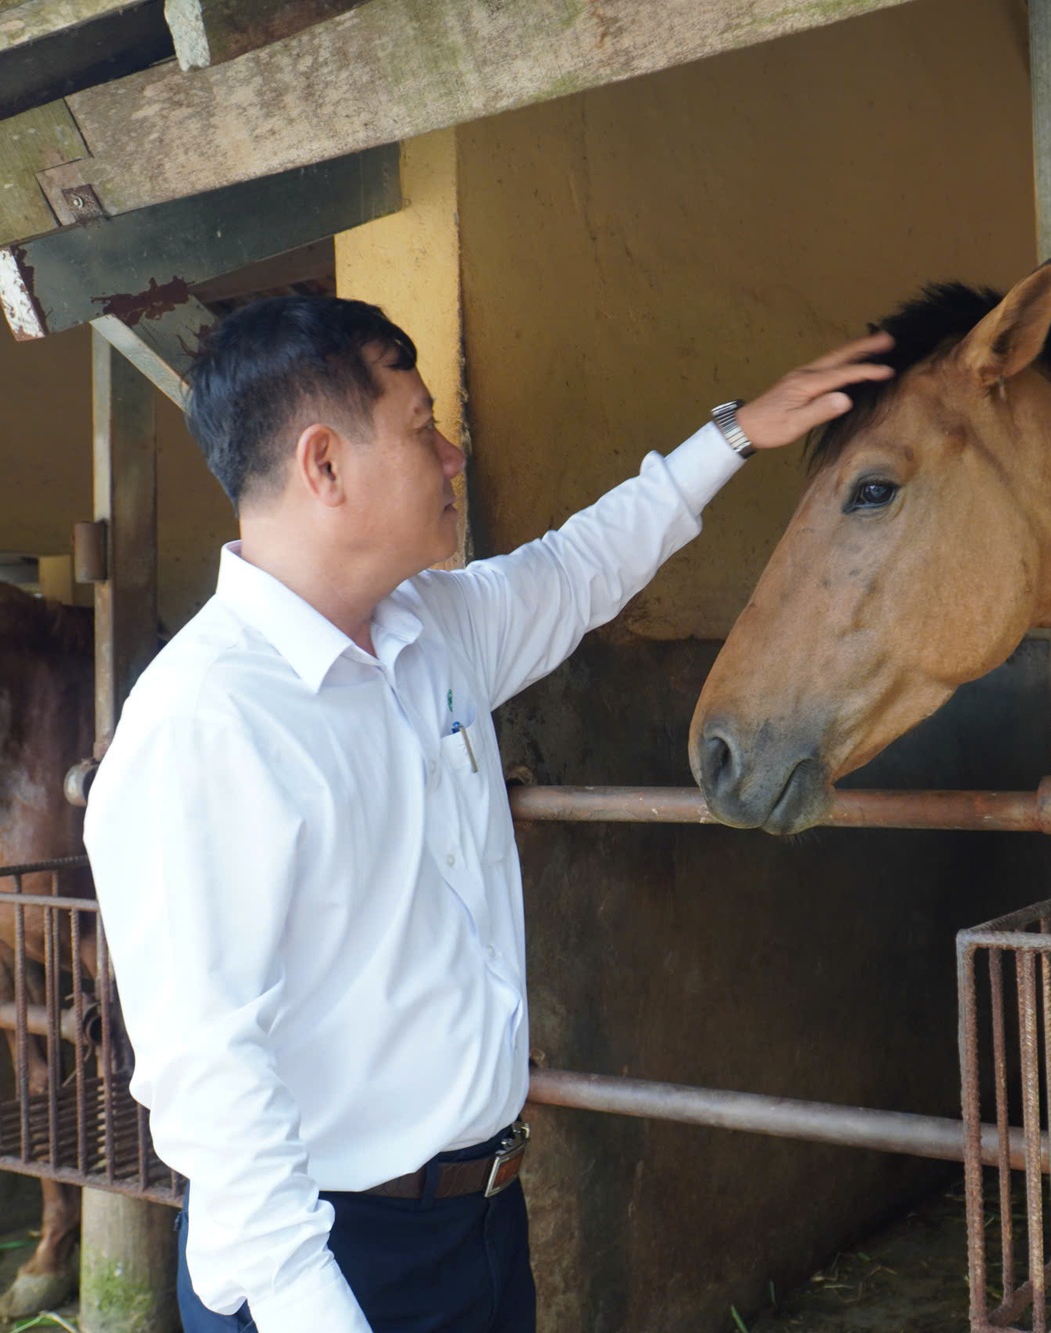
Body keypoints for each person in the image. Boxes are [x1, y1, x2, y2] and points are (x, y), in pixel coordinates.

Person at [83, 295, 892, 1333]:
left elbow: (577, 568)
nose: (453, 454)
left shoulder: (430, 630)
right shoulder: (206, 722)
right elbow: (209, 1072)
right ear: (323, 466)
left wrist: (731, 436)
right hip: (324, 1265)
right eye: (422, 425)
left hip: (480, 1227)